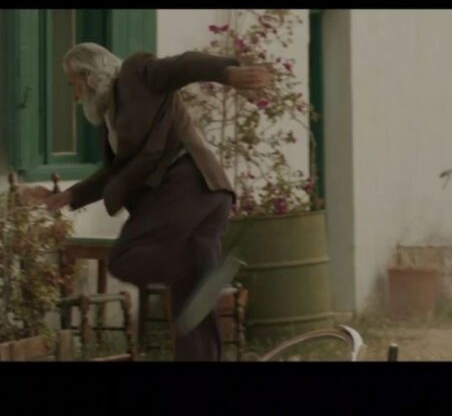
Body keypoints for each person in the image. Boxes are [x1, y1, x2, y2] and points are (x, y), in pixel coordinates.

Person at [26, 43, 271, 361]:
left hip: (189, 186)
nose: (73, 94)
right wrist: (68, 196)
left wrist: (227, 72)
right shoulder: (112, 115)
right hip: (206, 196)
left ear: (88, 78)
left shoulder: (136, 74)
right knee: (191, 313)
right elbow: (116, 173)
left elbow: (183, 65)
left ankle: (204, 276)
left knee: (125, 258)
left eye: (72, 83)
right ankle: (204, 290)